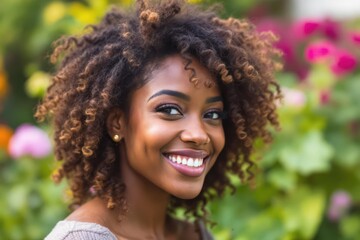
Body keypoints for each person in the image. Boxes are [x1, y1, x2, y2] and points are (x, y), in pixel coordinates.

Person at [38, 0, 282, 239]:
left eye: (213, 115)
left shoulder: (196, 235)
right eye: (171, 110)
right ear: (117, 123)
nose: (198, 134)